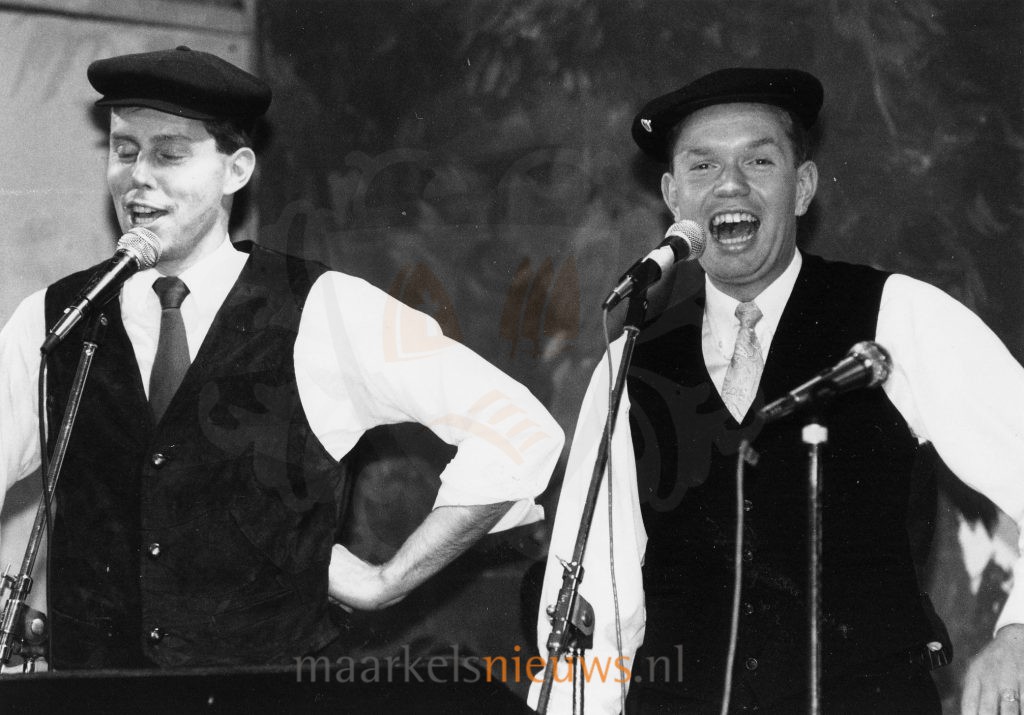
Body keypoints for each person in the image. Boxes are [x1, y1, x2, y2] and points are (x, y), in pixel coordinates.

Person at [0, 46, 563, 670]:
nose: (138, 177)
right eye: (124, 150)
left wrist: (387, 582)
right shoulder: (55, 318)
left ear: (236, 170)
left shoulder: (324, 309)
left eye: (169, 154)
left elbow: (519, 430)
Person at [531, 68, 1024, 714]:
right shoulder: (631, 362)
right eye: (703, 166)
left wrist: (1019, 632)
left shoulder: (897, 314)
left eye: (758, 160)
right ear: (673, 197)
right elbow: (594, 590)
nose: (729, 184)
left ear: (804, 187)